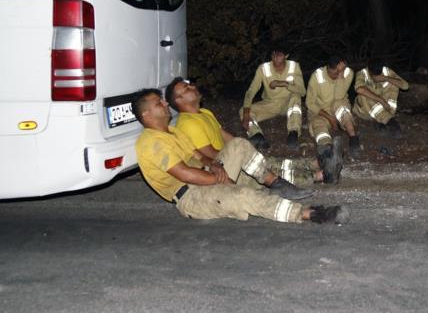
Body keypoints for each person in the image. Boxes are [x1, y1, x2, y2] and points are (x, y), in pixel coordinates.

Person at [131, 88, 349, 224]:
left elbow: (198, 155)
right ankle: (310, 214)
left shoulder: (172, 131)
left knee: (239, 145)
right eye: (159, 103)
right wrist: (219, 177)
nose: (165, 103)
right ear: (146, 115)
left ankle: (279, 182)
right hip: (191, 196)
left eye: (163, 100)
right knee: (244, 194)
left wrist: (215, 165)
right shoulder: (151, 142)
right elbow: (185, 174)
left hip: (206, 176)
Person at [166, 77, 326, 199]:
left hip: (227, 159)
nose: (192, 86)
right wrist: (241, 155)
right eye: (186, 88)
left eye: (189, 85)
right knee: (265, 166)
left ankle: (319, 169)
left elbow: (225, 136)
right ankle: (317, 173)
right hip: (217, 168)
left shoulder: (205, 113)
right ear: (179, 100)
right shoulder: (187, 123)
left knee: (263, 161)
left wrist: (247, 150)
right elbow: (209, 156)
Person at [240, 48, 306, 151]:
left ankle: (293, 133)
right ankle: (257, 136)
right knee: (244, 110)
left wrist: (283, 83)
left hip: (288, 104)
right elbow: (251, 90)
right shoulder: (263, 68)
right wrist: (245, 113)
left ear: (286, 55)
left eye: (279, 54)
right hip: (270, 104)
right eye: (274, 54)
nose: (276, 57)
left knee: (296, 95)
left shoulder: (294, 66)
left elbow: (302, 91)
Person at [306, 55, 361, 169]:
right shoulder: (317, 76)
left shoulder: (348, 73)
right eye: (332, 73)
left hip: (338, 103)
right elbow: (309, 103)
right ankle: (327, 149)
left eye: (337, 73)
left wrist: (340, 75)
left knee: (343, 110)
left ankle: (353, 138)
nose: (334, 76)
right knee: (318, 125)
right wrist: (330, 118)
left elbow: (339, 95)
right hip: (322, 111)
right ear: (327, 68)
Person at [352, 59, 410, 137]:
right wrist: (381, 100)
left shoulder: (386, 71)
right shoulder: (362, 73)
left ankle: (386, 119)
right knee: (363, 94)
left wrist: (386, 78)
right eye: (373, 74)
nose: (376, 76)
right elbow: (359, 89)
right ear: (368, 69)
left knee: (394, 83)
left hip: (385, 109)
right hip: (366, 112)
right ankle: (390, 121)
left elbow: (406, 86)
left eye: (378, 73)